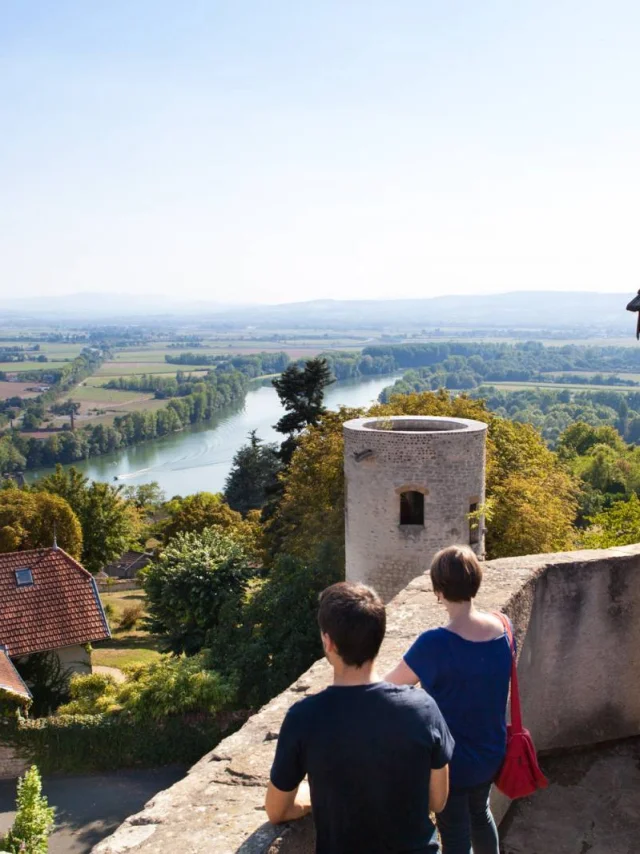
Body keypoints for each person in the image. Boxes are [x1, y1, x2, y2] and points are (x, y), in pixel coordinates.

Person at [265, 581, 455, 854]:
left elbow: (276, 810)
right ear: (379, 637)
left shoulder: (304, 718)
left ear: (328, 642)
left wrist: (310, 801)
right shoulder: (423, 709)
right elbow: (438, 800)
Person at [385, 546, 512, 854]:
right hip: (492, 750)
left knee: (454, 835)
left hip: (450, 764)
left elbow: (386, 688)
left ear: (438, 590)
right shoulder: (504, 627)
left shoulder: (434, 644)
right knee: (480, 814)